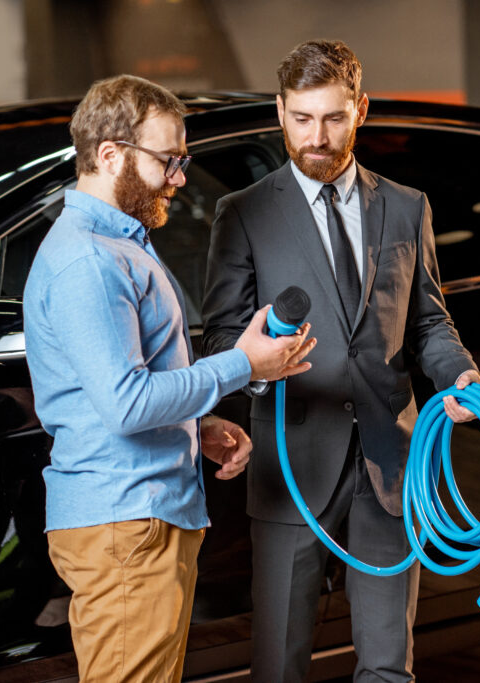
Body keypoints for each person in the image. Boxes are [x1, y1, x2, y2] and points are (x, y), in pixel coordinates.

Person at [201, 40, 480, 682]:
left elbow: (429, 319)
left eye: (332, 118)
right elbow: (222, 337)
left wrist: (458, 373)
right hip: (291, 465)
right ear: (279, 111)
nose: (316, 136)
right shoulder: (242, 214)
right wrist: (257, 363)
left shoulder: (407, 207)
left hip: (391, 461)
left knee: (388, 665)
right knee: (280, 664)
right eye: (301, 118)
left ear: (361, 109)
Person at [23, 74, 316, 683]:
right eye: (167, 161)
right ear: (110, 154)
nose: (180, 179)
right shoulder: (90, 262)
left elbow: (127, 385)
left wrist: (197, 424)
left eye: (182, 161)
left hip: (140, 518)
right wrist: (247, 362)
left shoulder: (119, 243)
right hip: (126, 524)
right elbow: (126, 405)